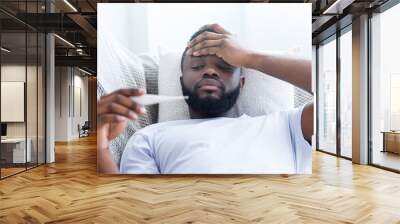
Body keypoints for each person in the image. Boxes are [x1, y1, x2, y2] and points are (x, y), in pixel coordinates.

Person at [97, 24, 313, 174]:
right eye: (198, 66)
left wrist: (250, 58)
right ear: (181, 82)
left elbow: (337, 92)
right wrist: (101, 147)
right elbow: (129, 209)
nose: (210, 71)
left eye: (224, 66)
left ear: (243, 83)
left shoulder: (286, 125)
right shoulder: (150, 138)